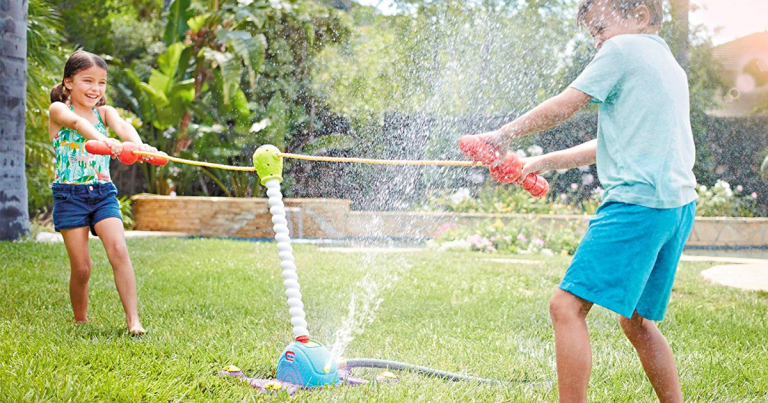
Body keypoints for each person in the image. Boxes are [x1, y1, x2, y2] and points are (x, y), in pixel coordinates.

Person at [465, 1, 697, 402]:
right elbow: (614, 142)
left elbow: (566, 103)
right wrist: (542, 162)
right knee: (637, 321)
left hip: (637, 204)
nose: (598, 42)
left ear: (639, 16)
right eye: (594, 34)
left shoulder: (623, 50)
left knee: (565, 307)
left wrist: (503, 135)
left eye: (601, 29)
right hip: (676, 207)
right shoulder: (668, 65)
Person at [49, 50, 160, 335]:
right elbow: (78, 125)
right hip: (69, 195)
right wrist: (103, 140)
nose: (95, 89)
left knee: (119, 251)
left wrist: (139, 147)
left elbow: (124, 129)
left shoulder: (105, 112)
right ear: (68, 83)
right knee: (82, 268)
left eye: (101, 83)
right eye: (88, 81)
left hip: (102, 194)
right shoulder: (59, 110)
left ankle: (134, 320)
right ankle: (80, 319)